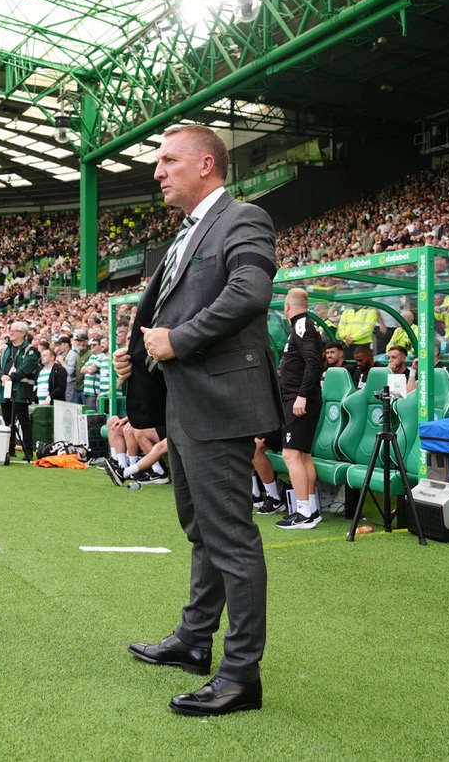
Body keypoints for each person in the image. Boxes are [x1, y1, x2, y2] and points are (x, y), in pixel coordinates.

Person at [114, 124, 280, 717]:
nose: (157, 171)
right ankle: (194, 640)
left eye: (168, 160)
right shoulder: (183, 236)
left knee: (230, 540)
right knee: (201, 532)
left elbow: (249, 292)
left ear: (206, 164)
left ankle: (241, 675)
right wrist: (140, 353)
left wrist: (176, 341)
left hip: (219, 404)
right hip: (186, 405)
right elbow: (164, 316)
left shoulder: (244, 218)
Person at [268, 288, 324, 529]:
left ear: (287, 307)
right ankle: (310, 508)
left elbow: (314, 361)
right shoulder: (301, 326)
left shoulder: (302, 326)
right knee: (302, 455)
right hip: (299, 398)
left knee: (291, 455)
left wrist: (301, 395)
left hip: (299, 399)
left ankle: (303, 513)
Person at [0, 320, 41, 462]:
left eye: (13, 330)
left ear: (22, 333)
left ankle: (28, 451)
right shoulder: (6, 349)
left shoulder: (31, 350)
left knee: (24, 422)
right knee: (7, 421)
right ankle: (9, 449)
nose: (10, 332)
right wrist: (1, 375)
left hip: (20, 391)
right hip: (5, 389)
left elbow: (27, 367)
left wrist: (11, 377)